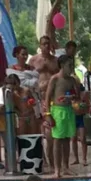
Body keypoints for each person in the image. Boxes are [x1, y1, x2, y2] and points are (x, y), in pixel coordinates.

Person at [45, 55, 79, 178]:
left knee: (66, 140)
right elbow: (47, 98)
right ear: (62, 65)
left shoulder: (72, 80)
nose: (71, 68)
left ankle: (66, 167)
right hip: (57, 111)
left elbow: (77, 97)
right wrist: (48, 114)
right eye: (69, 66)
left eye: (72, 65)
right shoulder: (55, 79)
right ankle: (57, 169)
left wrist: (72, 98)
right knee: (58, 140)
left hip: (68, 110)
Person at [28, 35, 58, 169]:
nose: (46, 46)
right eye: (43, 44)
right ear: (40, 46)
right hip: (38, 97)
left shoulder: (56, 61)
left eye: (48, 43)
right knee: (39, 129)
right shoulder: (34, 60)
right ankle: (43, 158)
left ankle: (52, 159)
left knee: (51, 131)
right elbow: (27, 78)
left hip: (52, 97)